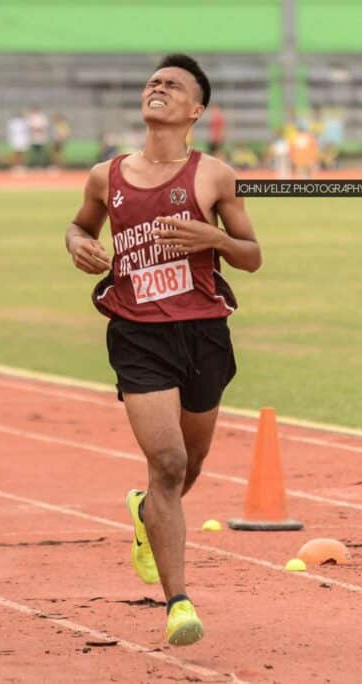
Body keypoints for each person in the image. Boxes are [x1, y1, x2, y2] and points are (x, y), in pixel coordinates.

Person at [64, 53, 261, 646]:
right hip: (137, 331)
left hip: (202, 331)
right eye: (153, 81)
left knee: (189, 467)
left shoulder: (215, 176)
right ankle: (179, 602)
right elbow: (80, 226)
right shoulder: (107, 175)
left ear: (195, 110)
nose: (158, 87)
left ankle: (146, 512)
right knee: (169, 462)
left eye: (172, 85)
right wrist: (75, 244)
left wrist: (216, 239)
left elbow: (252, 256)